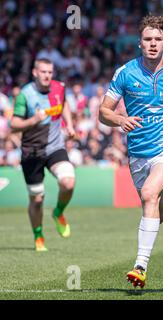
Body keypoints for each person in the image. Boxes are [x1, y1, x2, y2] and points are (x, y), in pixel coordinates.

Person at [99, 14, 163, 289]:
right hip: (138, 153)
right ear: (139, 43)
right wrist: (120, 120)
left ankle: (140, 266)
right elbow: (103, 112)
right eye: (148, 39)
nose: (153, 44)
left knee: (148, 194)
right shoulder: (125, 73)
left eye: (158, 39)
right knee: (153, 203)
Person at [10, 58, 76, 252]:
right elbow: (14, 125)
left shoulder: (59, 87)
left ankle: (58, 212)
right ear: (35, 73)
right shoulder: (25, 95)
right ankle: (38, 235)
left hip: (54, 147)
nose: (47, 75)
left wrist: (70, 125)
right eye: (43, 72)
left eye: (50, 72)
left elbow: (64, 105)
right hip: (32, 153)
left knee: (68, 182)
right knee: (37, 199)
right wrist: (33, 120)